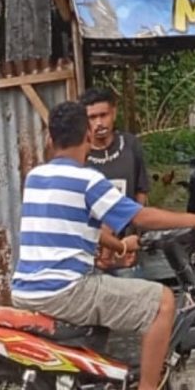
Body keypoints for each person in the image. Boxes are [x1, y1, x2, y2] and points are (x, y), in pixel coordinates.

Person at [11, 101, 195, 390]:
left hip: (26, 289)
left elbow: (74, 225)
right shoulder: (87, 180)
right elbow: (140, 217)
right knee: (163, 301)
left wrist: (121, 246)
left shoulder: (35, 177)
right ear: (87, 136)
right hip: (66, 291)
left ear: (50, 139)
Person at [79, 88, 150, 274]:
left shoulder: (130, 145)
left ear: (114, 113)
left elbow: (141, 191)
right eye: (92, 117)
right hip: (92, 253)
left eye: (104, 115)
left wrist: (134, 236)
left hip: (127, 247)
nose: (99, 123)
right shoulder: (79, 154)